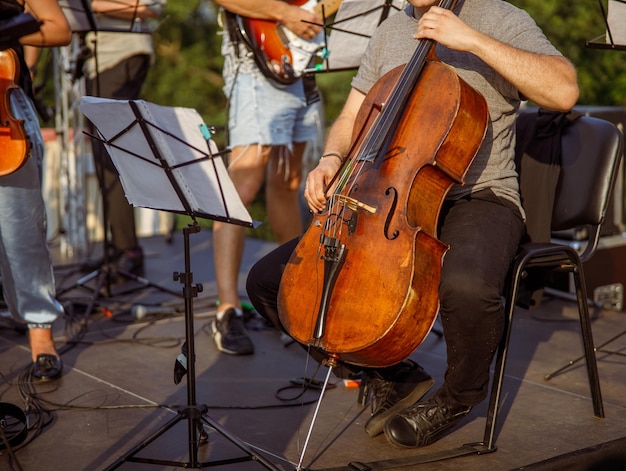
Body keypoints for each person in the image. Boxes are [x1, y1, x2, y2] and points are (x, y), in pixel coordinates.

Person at [246, 0, 578, 448]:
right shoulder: (390, 29)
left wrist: (472, 40)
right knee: (271, 282)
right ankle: (393, 375)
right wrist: (329, 160)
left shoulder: (498, 16)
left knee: (466, 287)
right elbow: (353, 115)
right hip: (386, 196)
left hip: (477, 195)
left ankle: (458, 395)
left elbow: (563, 91)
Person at [208, 0, 323, 355]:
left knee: (288, 183)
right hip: (257, 69)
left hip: (303, 68)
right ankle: (227, 308)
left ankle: (290, 297)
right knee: (242, 187)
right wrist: (287, 14)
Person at [0, 0, 72, 380]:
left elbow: (59, 28)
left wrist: (9, 29)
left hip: (5, 108)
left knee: (21, 229)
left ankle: (40, 329)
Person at [82, 0, 165, 278]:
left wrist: (89, 6)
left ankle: (127, 248)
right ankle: (118, 246)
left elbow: (152, 7)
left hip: (121, 56)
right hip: (97, 61)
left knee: (112, 152)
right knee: (100, 152)